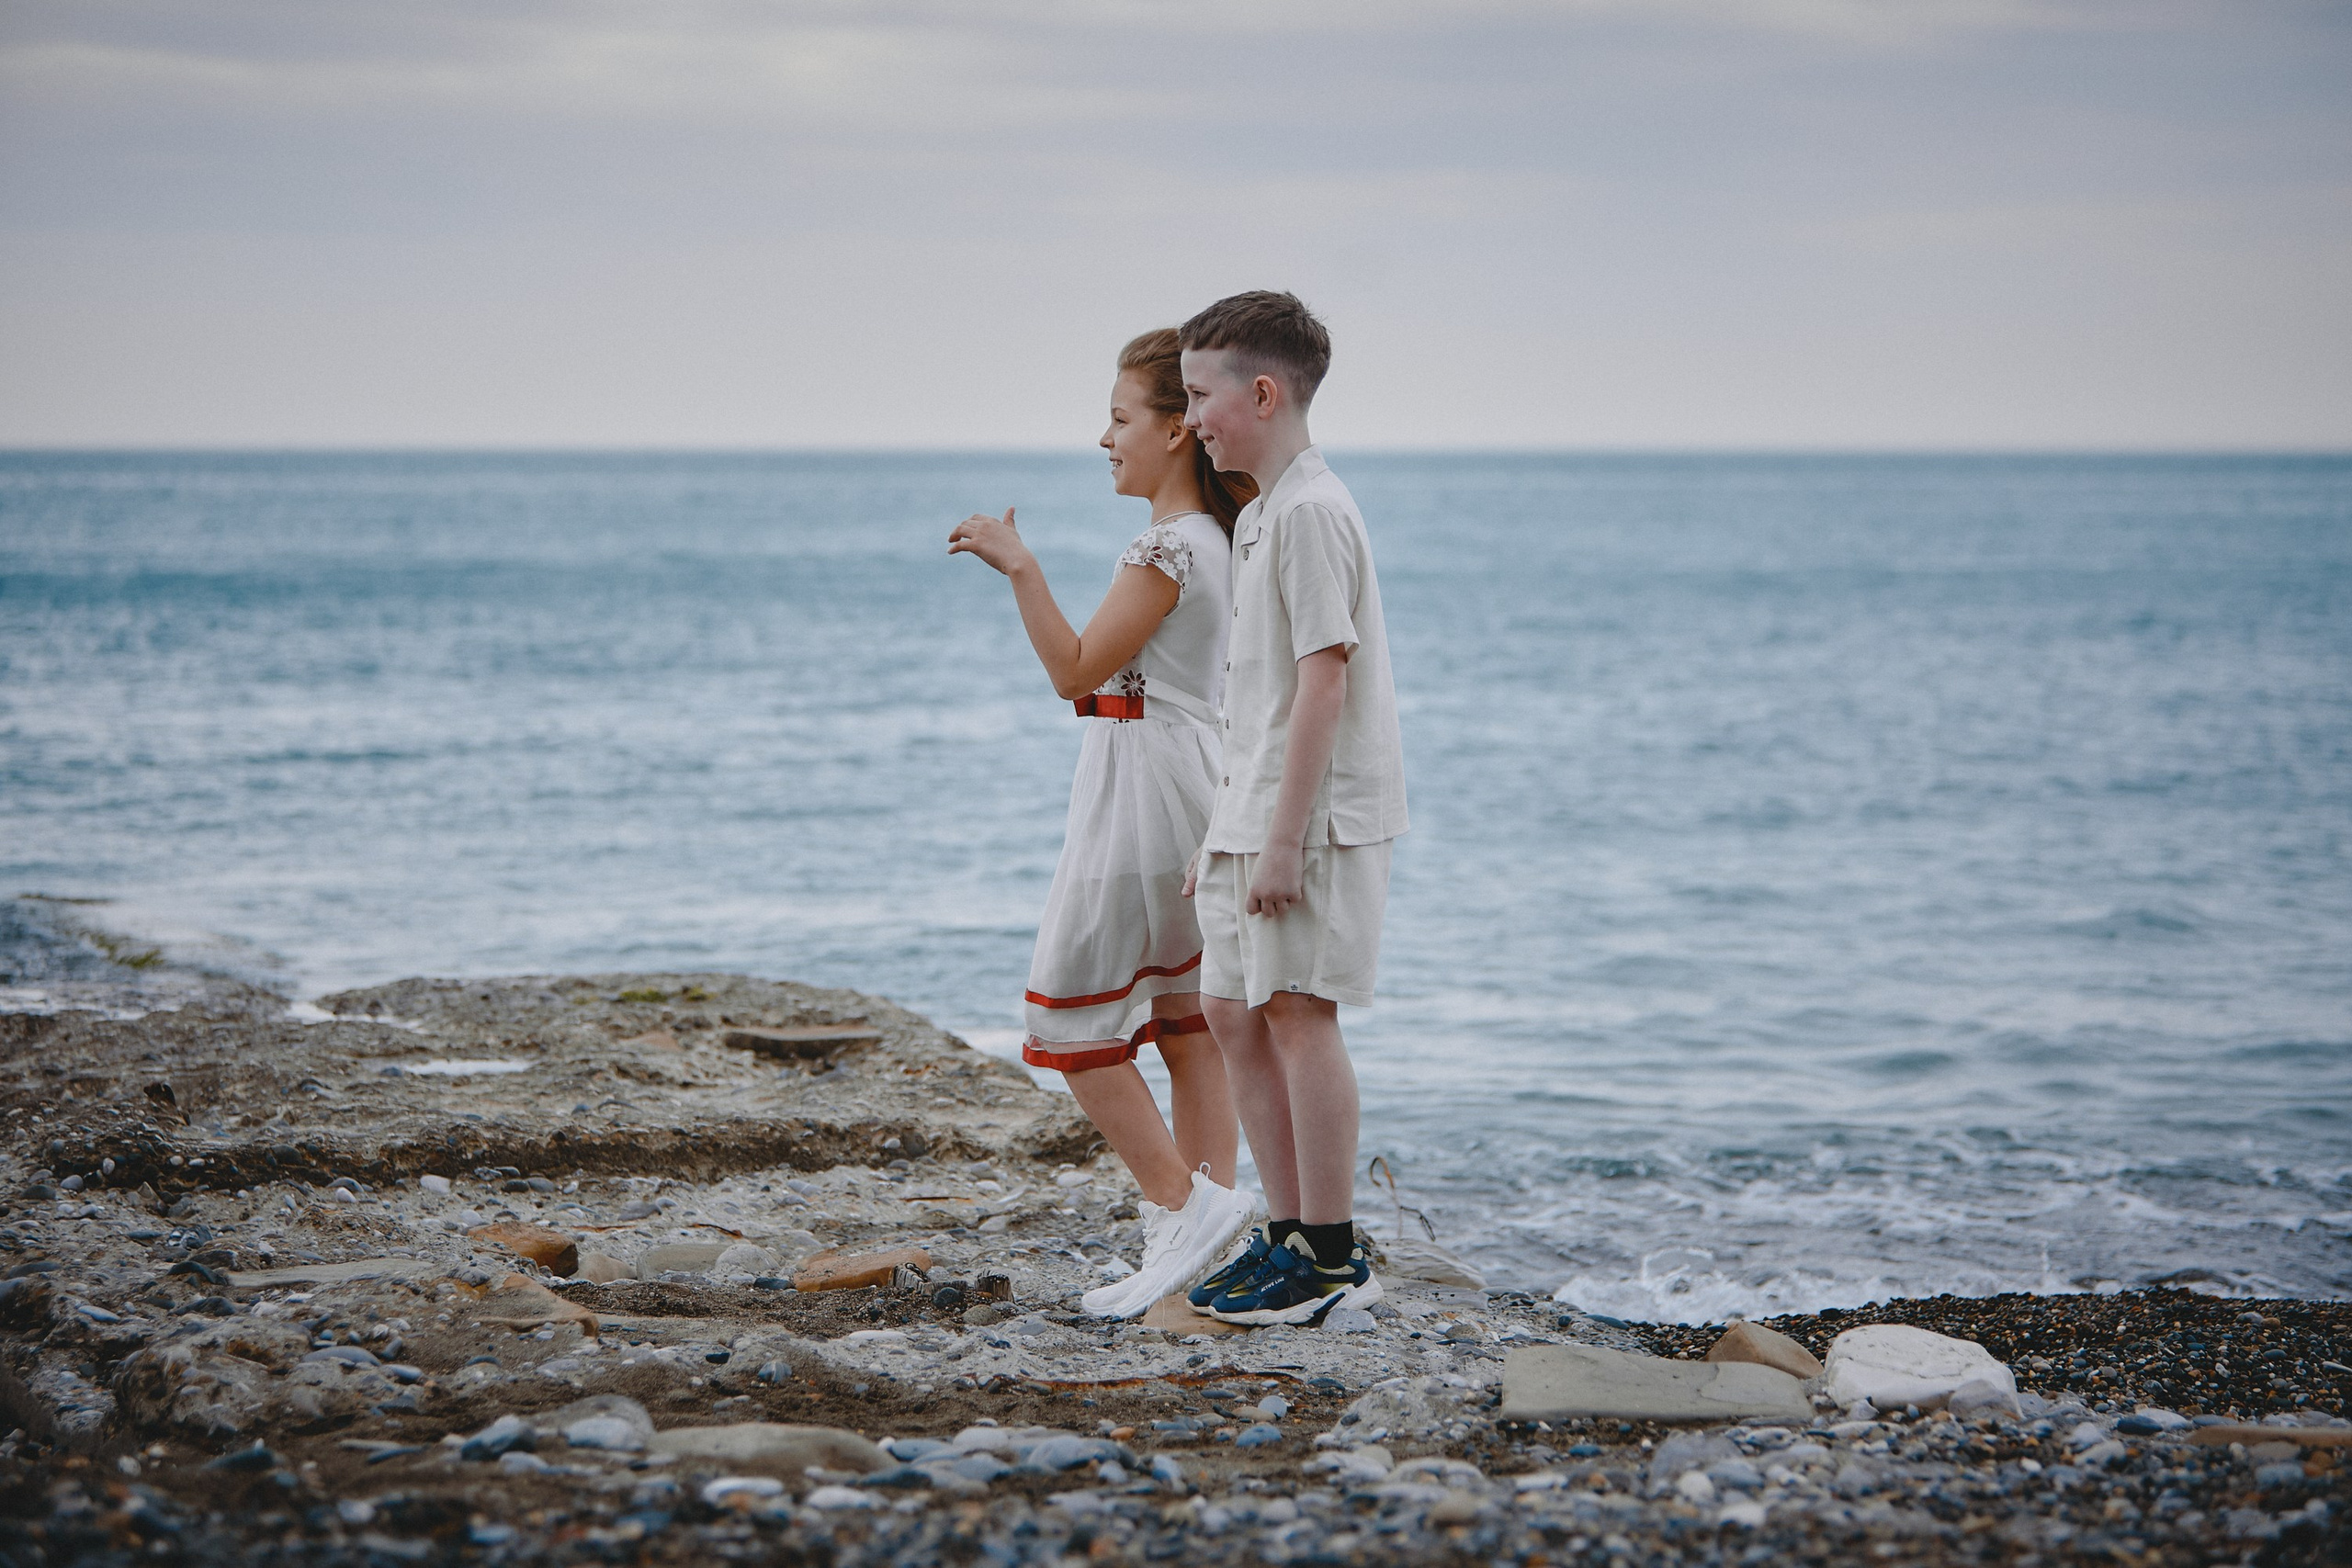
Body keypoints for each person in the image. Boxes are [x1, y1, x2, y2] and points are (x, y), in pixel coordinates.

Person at [949, 329, 1261, 1318]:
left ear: (1175, 431)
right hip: (1190, 776)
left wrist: (1020, 568)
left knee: (1071, 1018)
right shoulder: (1218, 539)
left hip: (1145, 788)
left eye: (1120, 418)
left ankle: (1183, 1206)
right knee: (1186, 1021)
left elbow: (1074, 671)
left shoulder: (1165, 547)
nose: (1104, 438)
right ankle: (1200, 1242)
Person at [1174, 291, 1407, 1325]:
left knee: (1301, 1011)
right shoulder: (1264, 510)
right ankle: (1286, 1232)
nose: (1190, 420)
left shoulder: (1312, 511)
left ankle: (1328, 1255)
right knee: (1232, 1010)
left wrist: (1278, 841)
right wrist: (1224, 831)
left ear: (1263, 394)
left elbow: (1324, 683)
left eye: (1199, 396)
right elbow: (1257, 697)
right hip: (1254, 807)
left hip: (1310, 818)